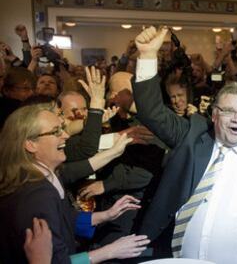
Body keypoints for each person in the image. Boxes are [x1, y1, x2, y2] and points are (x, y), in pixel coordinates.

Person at [131, 26, 237, 263]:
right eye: (229, 111)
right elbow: (151, 111)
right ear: (214, 114)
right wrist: (146, 56)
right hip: (177, 257)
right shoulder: (192, 135)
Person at [0, 104, 150, 263]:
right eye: (56, 131)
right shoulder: (36, 195)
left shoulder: (41, 177)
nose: (65, 135)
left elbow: (63, 218)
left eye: (62, 128)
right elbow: (55, 261)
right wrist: (110, 251)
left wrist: (106, 215)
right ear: (30, 144)